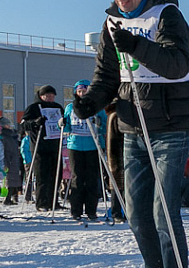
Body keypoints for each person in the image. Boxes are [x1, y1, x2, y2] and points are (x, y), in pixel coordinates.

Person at [73, 0, 189, 268]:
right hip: (132, 125)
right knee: (136, 212)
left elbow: (177, 64)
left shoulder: (166, 14)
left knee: (162, 210)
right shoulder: (111, 23)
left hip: (170, 127)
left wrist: (136, 44)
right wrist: (90, 102)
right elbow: (106, 76)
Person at [63, 80, 108, 220]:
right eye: (80, 91)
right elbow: (67, 126)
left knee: (91, 178)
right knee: (77, 177)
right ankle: (76, 210)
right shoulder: (70, 107)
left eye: (85, 91)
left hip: (92, 145)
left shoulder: (97, 107)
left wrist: (99, 124)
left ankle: (91, 210)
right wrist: (62, 125)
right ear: (76, 92)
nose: (82, 94)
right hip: (75, 145)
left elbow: (104, 125)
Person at [21, 84, 65, 211]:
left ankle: (53, 201)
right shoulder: (34, 108)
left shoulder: (57, 107)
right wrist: (35, 123)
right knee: (42, 176)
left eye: (52, 96)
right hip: (40, 147)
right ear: (41, 96)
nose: (50, 98)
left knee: (56, 175)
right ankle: (41, 202)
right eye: (47, 96)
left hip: (55, 146)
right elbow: (24, 125)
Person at [105, 102, 126, 222]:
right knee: (118, 184)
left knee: (126, 185)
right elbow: (111, 140)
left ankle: (125, 211)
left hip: (125, 154)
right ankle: (116, 212)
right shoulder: (115, 115)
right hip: (118, 156)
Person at [0, 116, 21, 205]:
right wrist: (4, 162)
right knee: (9, 180)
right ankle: (7, 198)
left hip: (13, 159)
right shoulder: (3, 136)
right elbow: (2, 150)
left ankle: (11, 197)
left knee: (13, 180)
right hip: (8, 160)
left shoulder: (11, 135)